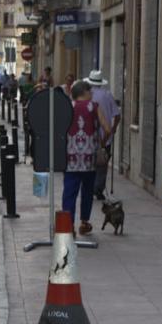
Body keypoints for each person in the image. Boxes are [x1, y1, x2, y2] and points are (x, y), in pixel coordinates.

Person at [63, 81, 111, 235]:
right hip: (89, 158)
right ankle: (84, 223)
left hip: (70, 158)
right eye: (90, 90)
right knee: (87, 191)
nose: (92, 93)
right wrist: (100, 143)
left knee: (70, 191)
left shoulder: (68, 107)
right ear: (83, 91)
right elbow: (107, 129)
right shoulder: (94, 107)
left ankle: (68, 225)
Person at [84, 70, 122, 201]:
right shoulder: (107, 95)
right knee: (102, 164)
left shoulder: (86, 96)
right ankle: (98, 190)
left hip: (89, 137)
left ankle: (89, 188)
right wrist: (113, 129)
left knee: (89, 164)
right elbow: (117, 116)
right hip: (105, 137)